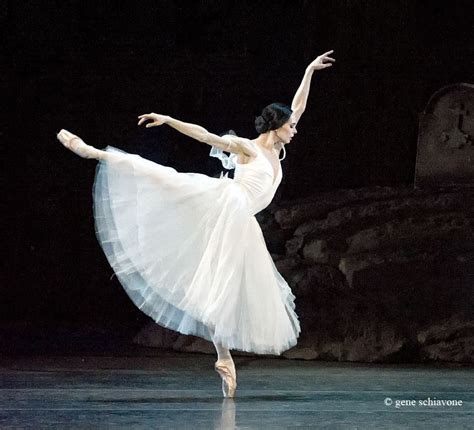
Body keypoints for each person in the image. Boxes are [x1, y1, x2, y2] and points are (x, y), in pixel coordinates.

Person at [57, 50, 335, 398]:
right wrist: (169, 119)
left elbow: (299, 106)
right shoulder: (247, 148)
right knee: (167, 180)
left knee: (224, 287)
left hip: (242, 218)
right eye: (290, 126)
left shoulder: (276, 152)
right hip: (226, 204)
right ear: (277, 128)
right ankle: (95, 153)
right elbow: (205, 136)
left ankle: (223, 357)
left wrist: (308, 70)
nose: (295, 130)